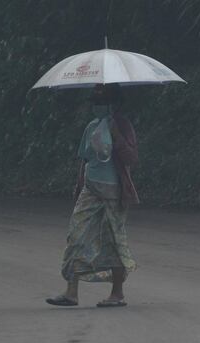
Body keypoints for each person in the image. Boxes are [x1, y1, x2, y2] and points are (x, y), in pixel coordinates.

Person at [46, 83, 140, 308]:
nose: (98, 107)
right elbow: (85, 159)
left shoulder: (123, 126)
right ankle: (71, 292)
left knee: (114, 242)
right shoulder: (91, 127)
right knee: (76, 236)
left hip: (113, 192)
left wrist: (117, 137)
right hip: (91, 190)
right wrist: (79, 185)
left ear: (114, 104)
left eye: (102, 102)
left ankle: (117, 294)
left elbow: (131, 158)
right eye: (96, 103)